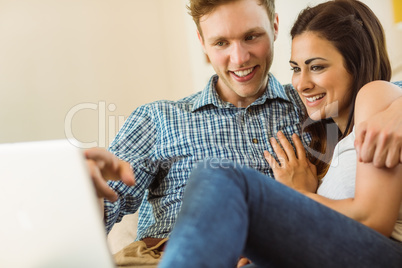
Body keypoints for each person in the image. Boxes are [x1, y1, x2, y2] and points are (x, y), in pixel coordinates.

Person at [85, 0, 402, 267]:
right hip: (167, 256)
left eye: (251, 37)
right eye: (221, 43)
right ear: (201, 42)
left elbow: (375, 87)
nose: (239, 59)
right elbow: (97, 215)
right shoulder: (158, 118)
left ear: (275, 26)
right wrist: (86, 188)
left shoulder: (317, 105)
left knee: (220, 178)